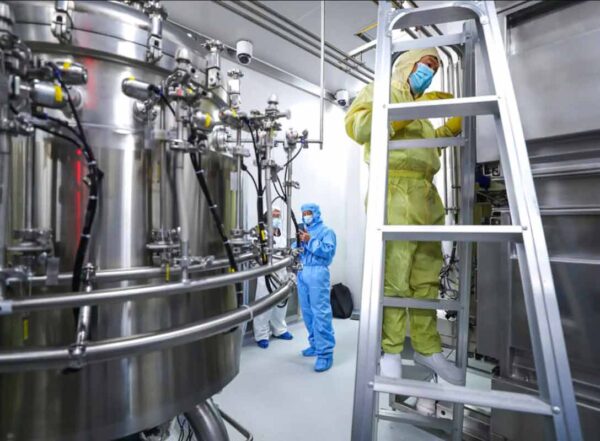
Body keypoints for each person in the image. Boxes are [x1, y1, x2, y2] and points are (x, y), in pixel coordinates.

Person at [344, 48, 463, 386]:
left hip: (427, 194)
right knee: (395, 276)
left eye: (436, 68)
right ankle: (392, 351)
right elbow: (359, 127)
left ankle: (427, 347)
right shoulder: (379, 91)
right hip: (394, 190)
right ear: (408, 65)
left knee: (427, 276)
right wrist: (407, 109)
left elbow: (426, 147)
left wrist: (449, 129)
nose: (431, 72)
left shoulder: (423, 112)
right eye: (427, 65)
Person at [295, 203, 337, 372]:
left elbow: (328, 252)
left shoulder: (327, 232)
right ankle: (314, 344)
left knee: (320, 313)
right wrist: (296, 246)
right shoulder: (302, 231)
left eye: (309, 213)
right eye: (304, 213)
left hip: (318, 273)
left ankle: (325, 354)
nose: (306, 216)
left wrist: (309, 240)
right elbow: (298, 250)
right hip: (302, 272)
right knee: (307, 312)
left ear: (316, 213)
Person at [253, 207, 293, 348]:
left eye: (278, 215)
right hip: (267, 274)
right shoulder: (261, 235)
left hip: (281, 273)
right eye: (274, 216)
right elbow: (255, 256)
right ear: (266, 218)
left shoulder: (281, 235)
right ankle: (262, 335)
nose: (277, 218)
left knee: (281, 304)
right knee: (264, 305)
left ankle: (279, 329)